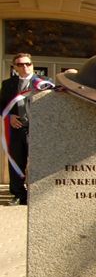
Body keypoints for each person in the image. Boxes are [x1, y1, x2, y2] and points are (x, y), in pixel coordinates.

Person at [1, 53, 39, 205]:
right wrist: (9, 115)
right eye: (21, 64)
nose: (25, 67)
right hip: (16, 129)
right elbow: (2, 105)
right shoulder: (8, 84)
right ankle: (18, 194)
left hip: (37, 130)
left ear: (32, 65)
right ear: (15, 67)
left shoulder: (43, 82)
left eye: (28, 64)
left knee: (38, 162)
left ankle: (36, 194)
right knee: (16, 162)